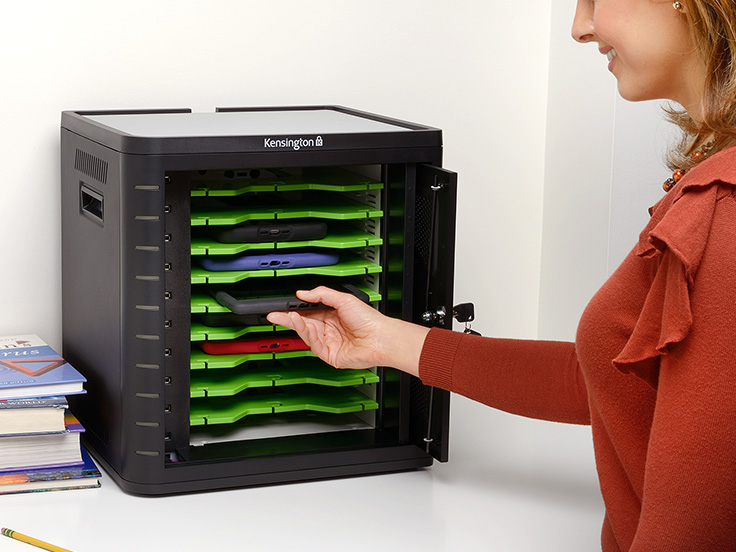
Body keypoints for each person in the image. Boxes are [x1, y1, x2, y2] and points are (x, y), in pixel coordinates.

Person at [268, 0, 736, 550]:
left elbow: (692, 529)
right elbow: (624, 383)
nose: (580, 28)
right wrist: (389, 342)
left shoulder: (724, 207)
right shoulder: (712, 175)